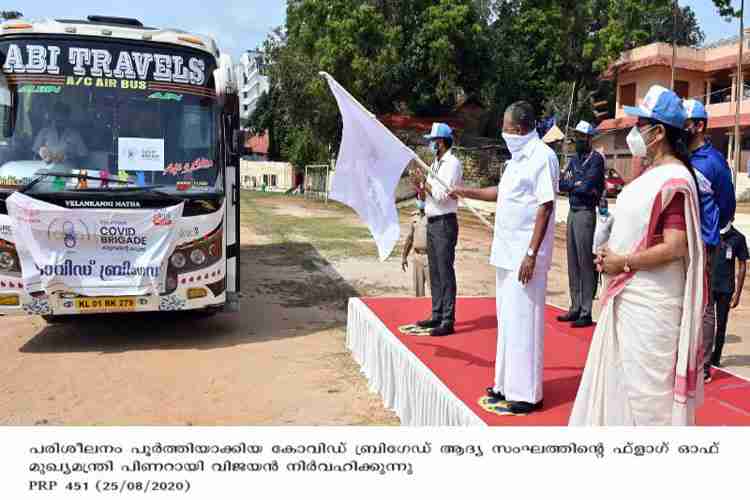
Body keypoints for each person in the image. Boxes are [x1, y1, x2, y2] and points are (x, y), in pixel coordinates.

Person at [570, 85, 705, 426]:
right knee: (621, 390)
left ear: (658, 132)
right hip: (628, 296)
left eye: (640, 124)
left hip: (650, 303)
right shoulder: (650, 175)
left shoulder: (674, 179)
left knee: (646, 403)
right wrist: (611, 256)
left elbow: (676, 246)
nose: (634, 132)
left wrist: (623, 262)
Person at [450, 101, 558, 416]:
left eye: (507, 129)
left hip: (525, 258)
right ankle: (505, 385)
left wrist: (530, 254)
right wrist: (464, 191)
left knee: (524, 323)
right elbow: (500, 193)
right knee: (509, 323)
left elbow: (546, 206)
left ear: (522, 129)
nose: (504, 133)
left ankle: (527, 394)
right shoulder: (515, 162)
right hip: (506, 254)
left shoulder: (543, 157)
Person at [682, 99, 737, 382]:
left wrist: (710, 229)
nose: (682, 128)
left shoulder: (715, 163)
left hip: (705, 243)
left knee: (705, 306)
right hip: (679, 241)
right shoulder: (680, 156)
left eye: (686, 122)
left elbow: (727, 206)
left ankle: (703, 366)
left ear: (699, 125)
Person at [410, 123, 463, 337]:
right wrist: (419, 186)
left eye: (433, 141)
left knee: (445, 271)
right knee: (435, 271)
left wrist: (426, 183)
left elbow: (442, 195)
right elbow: (428, 196)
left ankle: (448, 319)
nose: (431, 144)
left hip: (445, 222)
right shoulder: (435, 164)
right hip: (432, 220)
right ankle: (437, 312)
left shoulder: (452, 164)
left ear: (441, 142)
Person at [558, 120, 605, 328]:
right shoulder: (574, 160)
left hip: (586, 212)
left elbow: (587, 187)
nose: (577, 140)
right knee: (572, 260)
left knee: (586, 261)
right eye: (575, 136)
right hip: (572, 210)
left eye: (580, 137)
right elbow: (561, 184)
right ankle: (575, 305)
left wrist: (575, 184)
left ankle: (586, 310)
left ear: (589, 138)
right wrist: (575, 184)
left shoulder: (596, 160)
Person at [705, 220, 747, 379]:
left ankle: (716, 358)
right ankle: (705, 360)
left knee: (721, 325)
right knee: (707, 323)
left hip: (726, 289)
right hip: (708, 286)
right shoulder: (710, 233)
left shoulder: (738, 238)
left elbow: (742, 265)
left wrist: (737, 293)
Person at [401, 191, 430, 297]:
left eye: (423, 198)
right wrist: (404, 256)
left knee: (434, 290)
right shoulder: (414, 216)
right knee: (418, 292)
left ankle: (436, 313)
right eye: (419, 199)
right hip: (417, 257)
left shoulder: (432, 216)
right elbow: (410, 238)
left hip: (430, 257)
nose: (421, 201)